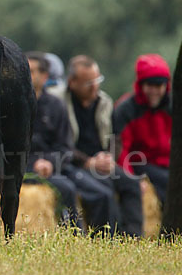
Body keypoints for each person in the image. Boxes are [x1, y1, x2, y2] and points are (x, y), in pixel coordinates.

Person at [56, 55, 143, 237]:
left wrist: (110, 157)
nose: (95, 86)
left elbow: (116, 137)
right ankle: (108, 240)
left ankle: (134, 238)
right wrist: (88, 162)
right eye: (89, 83)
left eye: (97, 80)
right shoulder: (59, 104)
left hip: (102, 162)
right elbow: (60, 143)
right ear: (72, 82)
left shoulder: (105, 102)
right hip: (74, 164)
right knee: (104, 189)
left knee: (131, 184)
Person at [25, 52, 83, 230]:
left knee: (99, 188)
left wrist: (49, 162)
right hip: (19, 169)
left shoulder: (56, 106)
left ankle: (103, 236)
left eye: (32, 71)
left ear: (45, 76)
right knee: (66, 188)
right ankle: (74, 236)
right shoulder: (10, 106)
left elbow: (65, 147)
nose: (27, 75)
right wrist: (33, 164)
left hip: (53, 168)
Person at [113, 53, 172, 206]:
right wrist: (131, 180)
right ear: (141, 85)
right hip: (141, 163)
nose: (154, 91)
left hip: (167, 163)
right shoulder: (126, 110)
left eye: (158, 86)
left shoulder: (172, 107)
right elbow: (122, 151)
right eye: (149, 86)